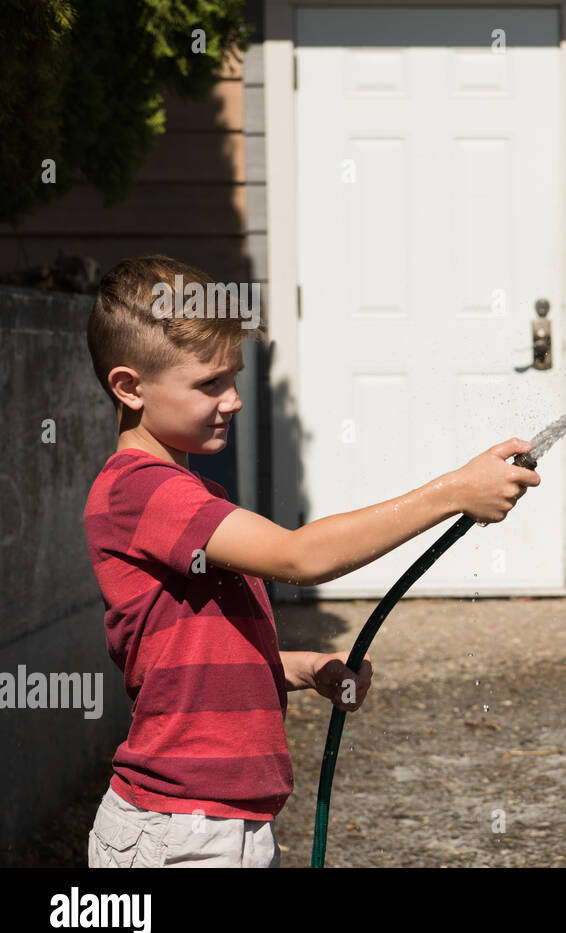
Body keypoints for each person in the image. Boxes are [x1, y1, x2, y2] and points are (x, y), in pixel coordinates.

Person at [82, 254, 540, 867]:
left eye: (234, 377)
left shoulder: (187, 498)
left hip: (217, 825)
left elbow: (189, 655)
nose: (235, 400)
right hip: (179, 832)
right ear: (130, 387)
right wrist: (452, 492)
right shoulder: (141, 491)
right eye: (209, 383)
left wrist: (299, 667)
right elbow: (300, 556)